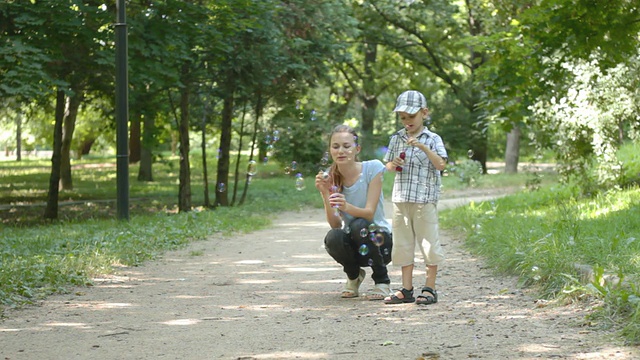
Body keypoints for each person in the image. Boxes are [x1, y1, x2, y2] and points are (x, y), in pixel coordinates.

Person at [382, 90, 448, 305]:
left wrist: (423, 147)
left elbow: (441, 164)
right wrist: (394, 164)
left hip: (424, 200)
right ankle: (406, 289)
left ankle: (429, 288)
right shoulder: (396, 138)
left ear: (424, 113)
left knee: (428, 244)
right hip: (401, 199)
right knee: (402, 244)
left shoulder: (433, 139)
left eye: (411, 116)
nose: (407, 121)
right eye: (403, 117)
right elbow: (388, 166)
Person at [315, 124, 393, 300]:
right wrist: (325, 193)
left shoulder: (373, 168)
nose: (341, 151)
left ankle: (382, 281)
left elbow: (369, 213)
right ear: (330, 150)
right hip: (356, 246)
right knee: (333, 236)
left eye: (346, 146)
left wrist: (345, 206)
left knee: (360, 224)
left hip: (381, 244)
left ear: (357, 149)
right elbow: (335, 224)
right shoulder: (330, 176)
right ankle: (353, 276)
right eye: (335, 146)